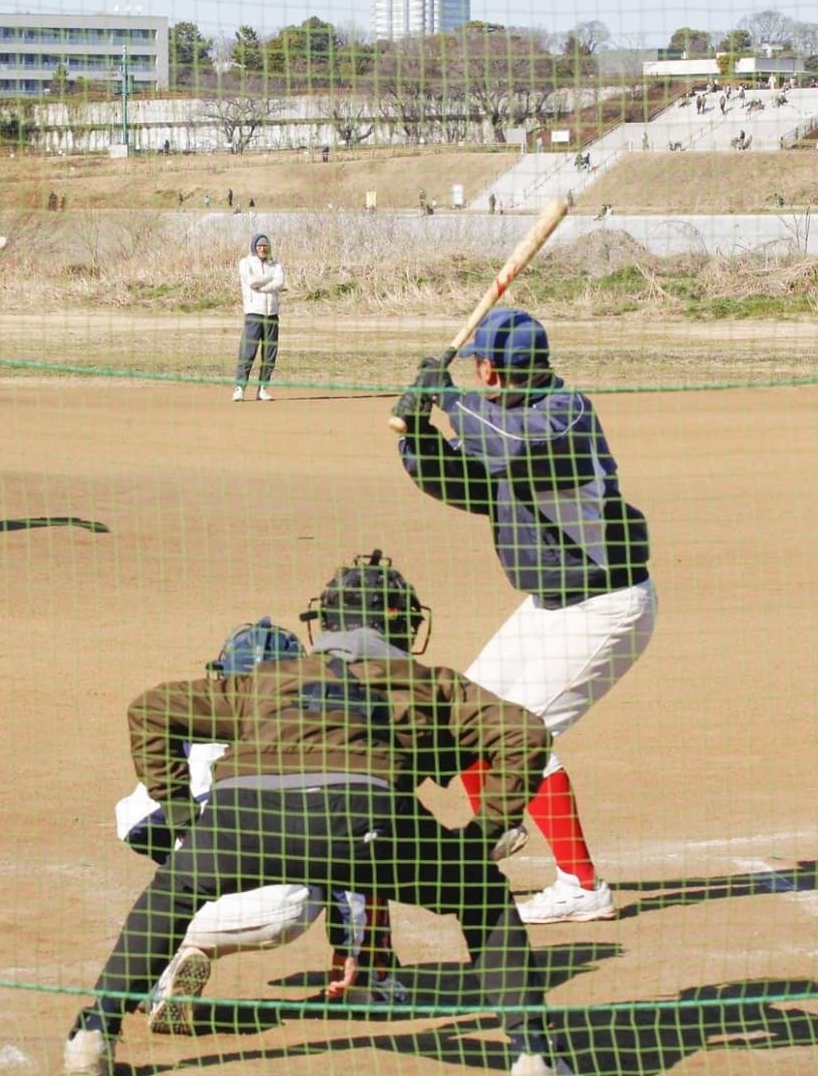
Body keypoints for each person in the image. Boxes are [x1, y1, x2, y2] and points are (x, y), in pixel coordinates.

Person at [63, 550, 574, 1076]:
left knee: (175, 889)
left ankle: (95, 1032)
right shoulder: (432, 684)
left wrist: (182, 814)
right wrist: (484, 829)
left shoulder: (267, 678)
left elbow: (151, 709)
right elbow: (526, 734)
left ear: (324, 621)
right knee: (480, 894)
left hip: (243, 818)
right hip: (364, 822)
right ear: (405, 623)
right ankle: (531, 1053)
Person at [391, 308, 657, 925]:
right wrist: (417, 436)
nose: (479, 373)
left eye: (482, 365)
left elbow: (508, 443)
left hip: (608, 606)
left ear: (496, 367)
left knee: (521, 732)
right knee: (464, 714)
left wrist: (448, 399)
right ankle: (499, 830)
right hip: (549, 605)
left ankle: (581, 885)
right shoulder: (502, 418)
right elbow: (461, 481)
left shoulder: (567, 415)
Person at [115, 617, 407, 1038]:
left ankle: (165, 961)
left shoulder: (187, 747)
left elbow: (134, 828)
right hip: (283, 906)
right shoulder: (325, 741)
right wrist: (350, 946)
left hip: (190, 895)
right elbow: (356, 866)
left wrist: (187, 835)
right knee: (360, 847)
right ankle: (371, 982)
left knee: (175, 879)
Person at [232, 233, 284, 403]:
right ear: (254, 247)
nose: (263, 248)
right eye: (260, 245)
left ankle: (263, 388)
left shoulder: (275, 264)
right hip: (254, 312)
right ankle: (240, 388)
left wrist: (264, 285)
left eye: (265, 245)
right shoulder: (245, 263)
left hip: (272, 314)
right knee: (248, 352)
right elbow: (252, 281)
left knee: (269, 354)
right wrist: (268, 280)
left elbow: (280, 282)